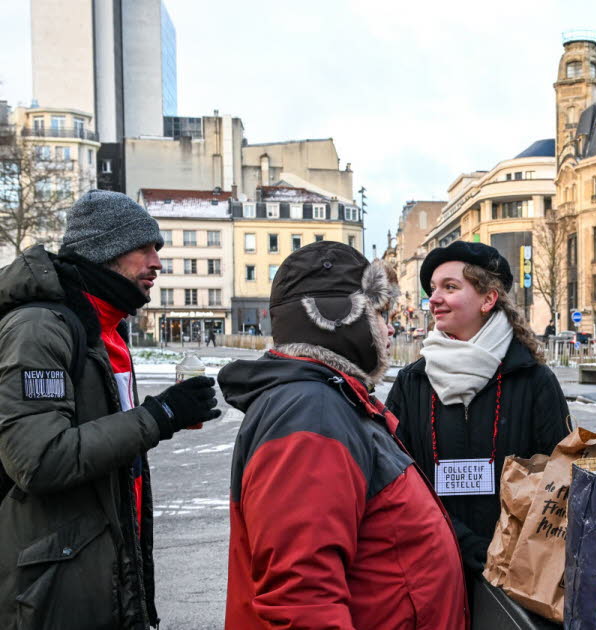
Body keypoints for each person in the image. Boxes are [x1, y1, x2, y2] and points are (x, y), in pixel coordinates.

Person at [0, 190, 221, 629]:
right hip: (54, 594)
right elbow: (38, 460)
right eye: (144, 248)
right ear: (105, 251)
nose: (157, 263)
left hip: (103, 576)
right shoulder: (39, 328)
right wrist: (161, 416)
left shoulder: (107, 331)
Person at [219, 241, 468, 629]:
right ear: (340, 318)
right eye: (377, 315)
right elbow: (302, 601)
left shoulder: (328, 400)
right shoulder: (309, 413)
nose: (388, 331)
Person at [386, 241, 571, 583]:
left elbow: (559, 479)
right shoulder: (412, 382)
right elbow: (395, 480)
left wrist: (508, 546)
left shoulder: (533, 380)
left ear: (488, 299)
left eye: (450, 287)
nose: (434, 299)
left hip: (516, 569)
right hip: (431, 565)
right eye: (433, 290)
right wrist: (457, 538)